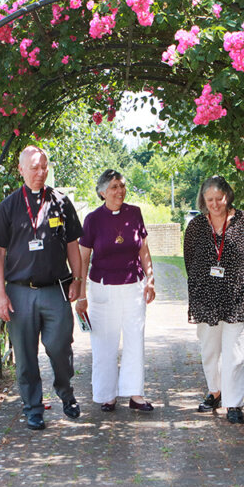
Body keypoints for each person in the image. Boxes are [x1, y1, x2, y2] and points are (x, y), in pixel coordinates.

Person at [0, 145, 84, 431]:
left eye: (44, 167)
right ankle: (33, 408)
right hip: (19, 292)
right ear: (21, 170)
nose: (40, 173)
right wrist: (0, 294)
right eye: (34, 167)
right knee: (26, 355)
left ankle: (66, 393)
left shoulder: (60, 202)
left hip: (55, 290)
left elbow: (72, 246)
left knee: (59, 346)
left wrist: (78, 281)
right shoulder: (9, 207)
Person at [75, 170, 156, 412]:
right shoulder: (92, 219)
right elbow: (83, 257)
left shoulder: (135, 213)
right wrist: (81, 295)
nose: (119, 191)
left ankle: (135, 394)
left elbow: (143, 250)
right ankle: (107, 395)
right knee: (104, 343)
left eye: (121, 185)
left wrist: (150, 280)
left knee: (135, 340)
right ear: (102, 192)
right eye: (113, 187)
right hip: (102, 289)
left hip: (133, 288)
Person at [183, 175, 244, 424]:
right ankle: (215, 392)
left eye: (219, 198)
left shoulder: (243, 221)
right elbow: (189, 260)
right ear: (203, 200)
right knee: (210, 350)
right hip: (206, 297)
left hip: (239, 296)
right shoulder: (196, 226)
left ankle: (234, 403)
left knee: (235, 353)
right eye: (210, 199)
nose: (215, 204)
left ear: (228, 196)